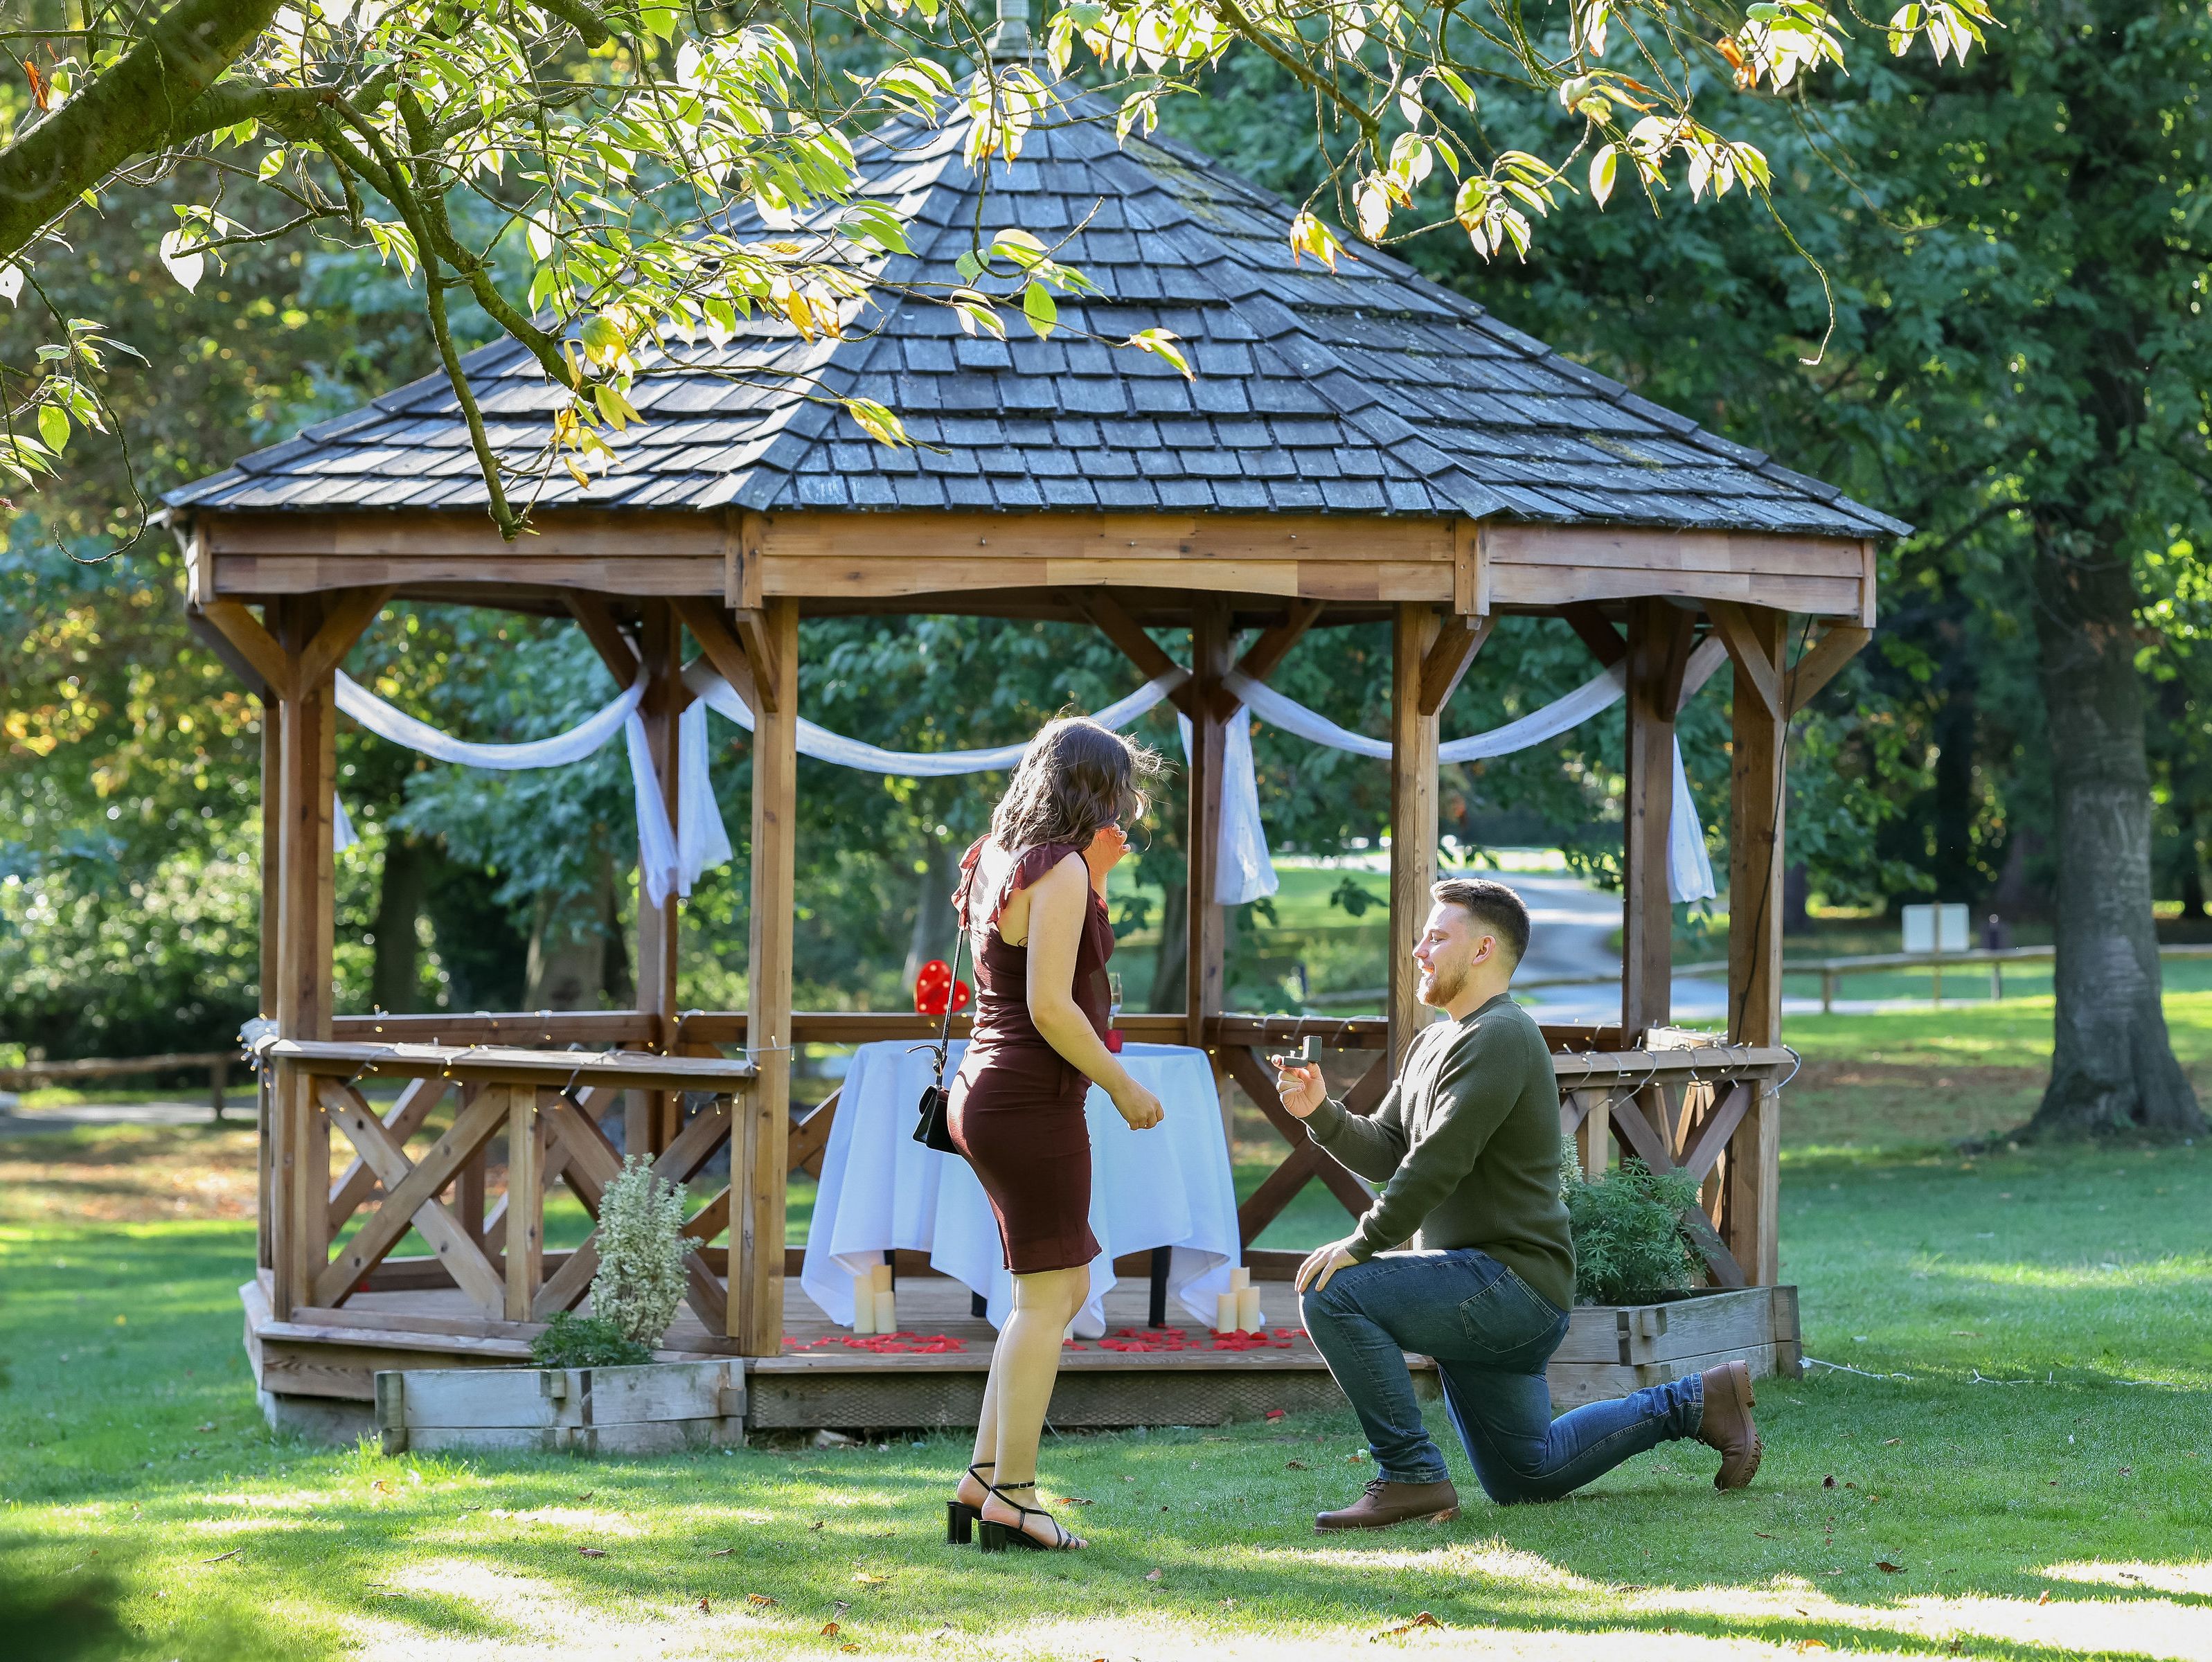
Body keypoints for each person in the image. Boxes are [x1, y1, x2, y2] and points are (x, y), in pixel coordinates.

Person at [1274, 876, 1763, 1529]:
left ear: (1481, 951)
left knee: (1332, 1291)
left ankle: (1409, 1475)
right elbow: (1392, 1150)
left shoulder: (1502, 1035)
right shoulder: (1433, 1043)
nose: (1420, 950)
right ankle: (1699, 1402)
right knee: (1526, 1475)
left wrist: (1361, 1243)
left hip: (1508, 1285)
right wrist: (1322, 1115)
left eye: (1436, 937)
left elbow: (1437, 1161)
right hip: (1478, 1288)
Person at [943, 716, 1166, 1552]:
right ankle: (1018, 1497)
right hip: (1032, 1099)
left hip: (986, 1089)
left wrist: (1093, 879)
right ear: (1090, 789)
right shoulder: (1061, 868)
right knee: (1046, 1299)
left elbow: (1033, 965)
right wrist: (1121, 1086)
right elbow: (1049, 1006)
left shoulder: (995, 856)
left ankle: (981, 1479)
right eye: (1122, 789)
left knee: (1058, 1292)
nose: (1132, 805)